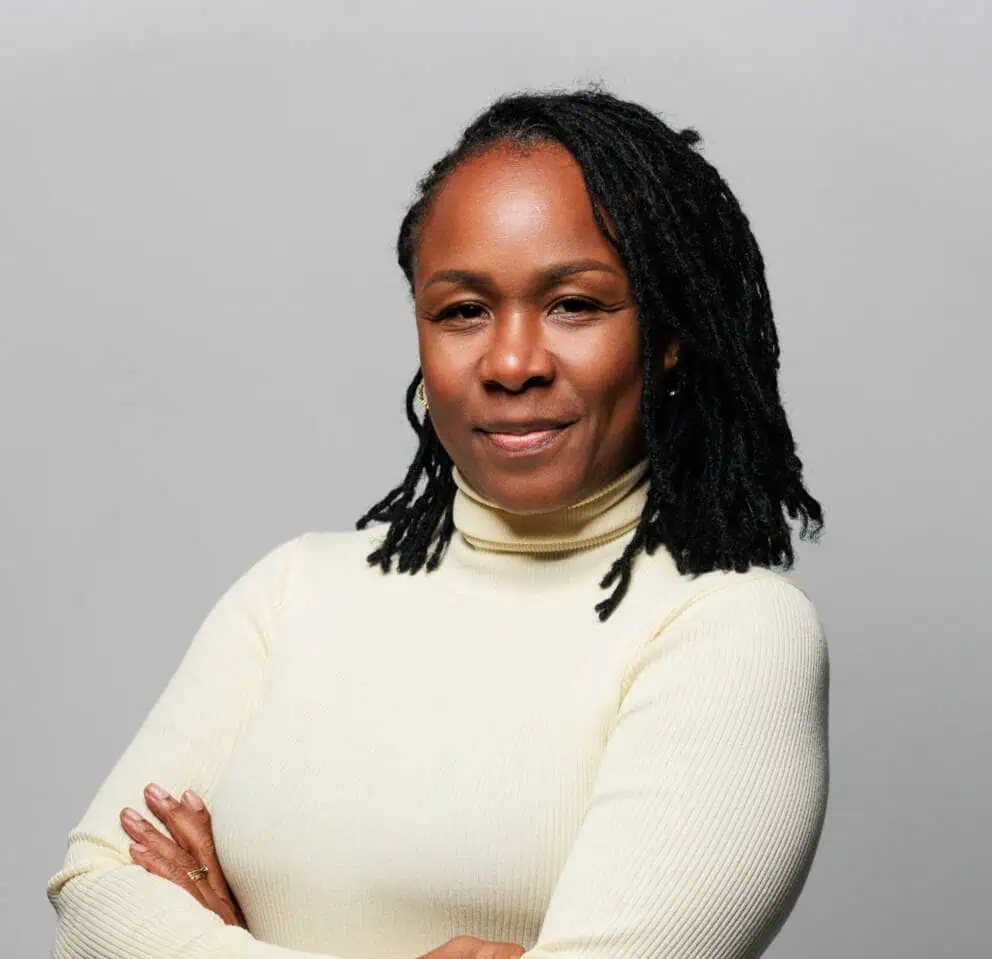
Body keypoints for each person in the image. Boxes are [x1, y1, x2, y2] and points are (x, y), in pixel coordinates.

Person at [46, 87, 830, 959]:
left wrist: (218, 944)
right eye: (463, 311)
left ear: (671, 331)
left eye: (574, 303)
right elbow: (91, 905)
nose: (512, 362)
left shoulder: (730, 629)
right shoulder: (295, 590)